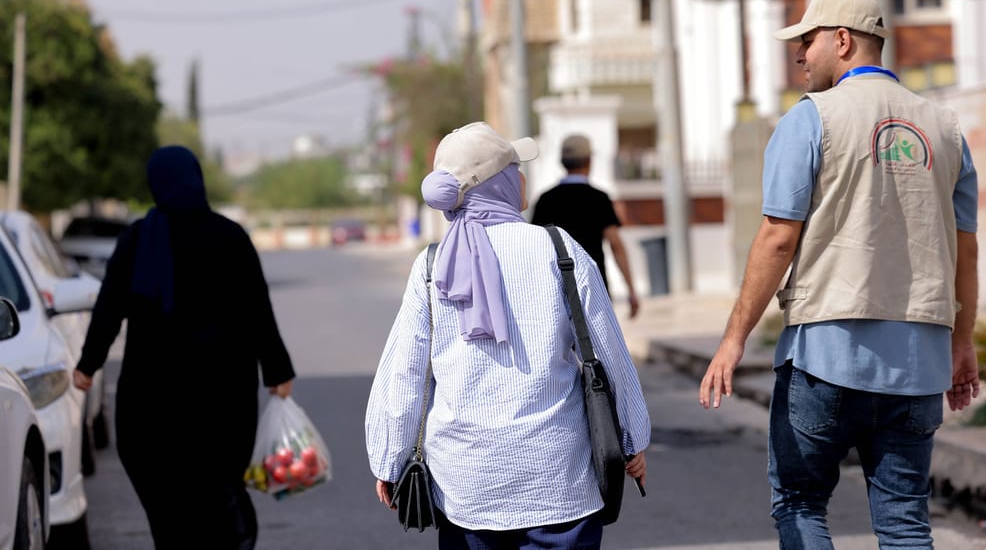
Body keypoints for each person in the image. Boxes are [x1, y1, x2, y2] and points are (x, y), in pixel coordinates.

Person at [697, 0, 980, 548]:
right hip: (919, 361)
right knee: (904, 523)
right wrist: (962, 342)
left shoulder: (811, 120)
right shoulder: (944, 128)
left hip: (826, 354)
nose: (799, 55)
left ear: (843, 40)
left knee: (801, 505)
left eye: (806, 42)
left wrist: (734, 340)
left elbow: (778, 238)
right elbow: (964, 247)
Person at [366, 121, 650, 549]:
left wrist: (389, 458)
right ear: (497, 183)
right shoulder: (559, 249)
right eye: (514, 167)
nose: (521, 177)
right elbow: (608, 354)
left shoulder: (431, 268)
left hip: (466, 491)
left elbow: (405, 372)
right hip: (558, 483)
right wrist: (631, 439)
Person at [72, 145, 296, 549]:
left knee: (168, 509)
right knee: (220, 496)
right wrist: (277, 371)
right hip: (223, 404)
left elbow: (108, 311)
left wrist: (88, 366)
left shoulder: (137, 241)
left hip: (151, 407)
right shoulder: (230, 237)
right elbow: (257, 311)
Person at [531, 134, 640, 319]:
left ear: (562, 162)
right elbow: (616, 245)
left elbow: (534, 247)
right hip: (594, 287)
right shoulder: (598, 199)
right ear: (589, 161)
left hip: (557, 288)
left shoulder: (545, 200)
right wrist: (631, 290)